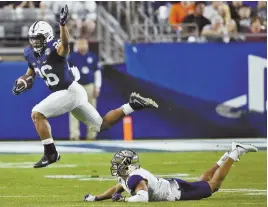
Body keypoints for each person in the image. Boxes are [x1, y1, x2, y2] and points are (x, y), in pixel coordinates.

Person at [12, 5, 158, 168]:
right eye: (32, 39)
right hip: (72, 92)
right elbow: (30, 72)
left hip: (69, 91)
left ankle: (50, 153)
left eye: (38, 39)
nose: (34, 42)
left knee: (37, 113)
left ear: (47, 37)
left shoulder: (55, 47)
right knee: (101, 125)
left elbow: (66, 46)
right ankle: (132, 105)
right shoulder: (30, 53)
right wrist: (23, 81)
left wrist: (62, 25)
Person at [84, 142, 258, 202]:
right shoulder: (128, 177)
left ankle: (235, 153)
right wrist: (96, 198)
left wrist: (124, 200)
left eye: (119, 163)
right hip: (170, 185)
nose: (116, 165)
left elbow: (142, 198)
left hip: (174, 192)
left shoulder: (135, 178)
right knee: (202, 181)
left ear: (127, 165)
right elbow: (116, 189)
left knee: (213, 186)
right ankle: (227, 156)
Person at [68, 38, 102, 140]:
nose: (82, 45)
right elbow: (68, 73)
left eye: (84, 43)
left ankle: (92, 135)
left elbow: (97, 72)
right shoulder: (72, 57)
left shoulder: (92, 56)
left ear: (87, 45)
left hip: (89, 86)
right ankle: (74, 135)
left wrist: (97, 86)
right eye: (80, 43)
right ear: (77, 45)